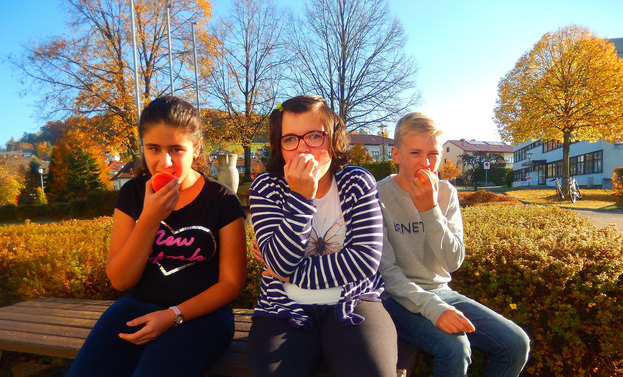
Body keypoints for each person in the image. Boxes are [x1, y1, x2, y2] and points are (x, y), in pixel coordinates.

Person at [66, 96, 247, 377]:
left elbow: (231, 283)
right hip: (136, 306)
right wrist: (149, 219)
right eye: (154, 148)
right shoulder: (133, 194)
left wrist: (173, 315)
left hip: (202, 315)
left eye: (176, 149)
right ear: (143, 148)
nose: (164, 161)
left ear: (196, 148)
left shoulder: (221, 199)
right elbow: (120, 279)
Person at [247, 95, 397, 377]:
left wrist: (291, 274)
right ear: (280, 146)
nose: (304, 149)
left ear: (333, 139)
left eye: (315, 136)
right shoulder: (267, 187)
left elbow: (365, 261)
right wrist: (302, 196)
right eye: (290, 139)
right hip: (283, 307)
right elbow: (279, 263)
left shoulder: (357, 182)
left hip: (354, 301)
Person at [377, 112, 530, 377]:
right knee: (455, 348)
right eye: (415, 153)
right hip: (395, 299)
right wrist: (433, 309)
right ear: (396, 155)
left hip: (441, 291)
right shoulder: (377, 195)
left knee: (516, 344)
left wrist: (430, 210)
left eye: (433, 154)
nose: (426, 163)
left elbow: (453, 261)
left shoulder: (446, 192)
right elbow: (386, 272)